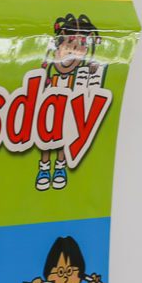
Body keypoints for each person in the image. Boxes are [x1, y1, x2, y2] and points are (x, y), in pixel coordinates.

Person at [35, 14, 98, 191]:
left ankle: (60, 166)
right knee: (46, 138)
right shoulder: (48, 68)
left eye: (79, 48)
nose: (72, 53)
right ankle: (44, 168)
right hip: (49, 108)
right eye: (68, 47)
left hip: (67, 109)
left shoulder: (81, 74)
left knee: (63, 136)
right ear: (58, 46)